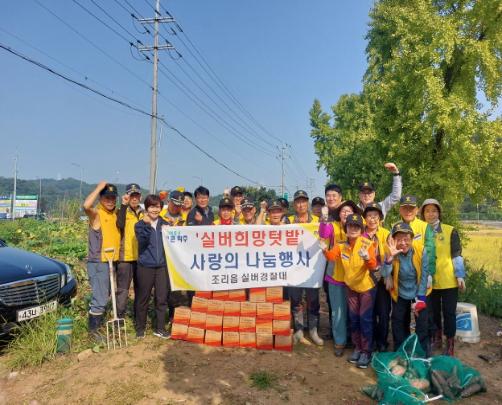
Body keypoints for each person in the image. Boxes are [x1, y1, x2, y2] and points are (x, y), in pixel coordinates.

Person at [322, 214, 378, 368]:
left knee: (364, 319)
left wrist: (367, 258)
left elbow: (374, 266)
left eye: (356, 226)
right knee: (354, 318)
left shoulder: (367, 244)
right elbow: (332, 257)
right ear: (346, 228)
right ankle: (357, 347)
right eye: (350, 226)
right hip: (351, 288)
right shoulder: (342, 246)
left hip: (366, 288)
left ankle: (366, 351)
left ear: (361, 229)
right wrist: (324, 250)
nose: (353, 229)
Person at [420, 199, 466, 356]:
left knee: (449, 313)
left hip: (448, 281)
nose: (431, 214)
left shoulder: (450, 230)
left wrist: (459, 275)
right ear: (423, 214)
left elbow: (456, 254)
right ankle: (436, 338)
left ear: (439, 212)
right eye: (427, 211)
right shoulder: (420, 231)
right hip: (428, 281)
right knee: (432, 313)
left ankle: (450, 343)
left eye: (434, 210)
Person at [381, 222, 433, 355]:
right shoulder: (390, 251)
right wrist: (389, 258)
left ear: (411, 239)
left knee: (422, 323)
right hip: (400, 292)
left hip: (418, 291)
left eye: (406, 239)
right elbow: (384, 274)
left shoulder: (421, 250)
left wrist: (420, 299)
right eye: (399, 239)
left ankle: (422, 352)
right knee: (398, 321)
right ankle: (401, 351)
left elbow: (424, 275)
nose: (403, 243)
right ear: (394, 240)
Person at [83, 181, 121, 342]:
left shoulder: (116, 213)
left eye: (113, 198)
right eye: (106, 198)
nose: (110, 201)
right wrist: (98, 188)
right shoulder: (97, 214)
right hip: (99, 262)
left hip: (113, 261)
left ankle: (100, 326)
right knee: (99, 297)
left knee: (106, 295)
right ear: (101, 198)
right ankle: (93, 333)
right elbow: (86, 206)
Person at [287, 190, 323, 346]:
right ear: (294, 204)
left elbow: (326, 237)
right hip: (294, 268)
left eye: (303, 201)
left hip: (311, 268)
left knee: (313, 299)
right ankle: (299, 329)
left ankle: (313, 330)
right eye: (298, 202)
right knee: (295, 300)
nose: (301, 204)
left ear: (307, 203)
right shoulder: (287, 221)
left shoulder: (317, 220)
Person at [134, 194, 171, 339]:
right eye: (151, 206)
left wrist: (171, 229)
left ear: (161, 208)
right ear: (146, 208)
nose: (155, 209)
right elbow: (142, 241)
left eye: (157, 207)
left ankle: (160, 328)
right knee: (143, 298)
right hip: (145, 266)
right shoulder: (139, 225)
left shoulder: (165, 224)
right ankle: (140, 329)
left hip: (161, 266)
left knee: (161, 298)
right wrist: (147, 225)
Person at [362, 203, 391, 352]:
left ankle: (382, 341)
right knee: (369, 312)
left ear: (380, 218)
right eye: (369, 216)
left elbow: (391, 256)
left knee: (384, 312)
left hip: (382, 279)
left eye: (375, 216)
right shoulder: (361, 235)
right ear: (365, 218)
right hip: (366, 279)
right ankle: (370, 341)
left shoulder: (386, 234)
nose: (372, 219)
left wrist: (389, 275)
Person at [115, 183, 143, 319]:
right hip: (124, 258)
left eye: (136, 195)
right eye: (131, 195)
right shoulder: (122, 211)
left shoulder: (143, 212)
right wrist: (124, 205)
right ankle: (119, 317)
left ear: (140, 197)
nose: (134, 198)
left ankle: (138, 316)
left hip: (140, 258)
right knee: (123, 290)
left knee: (140, 288)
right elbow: (119, 224)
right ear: (127, 196)